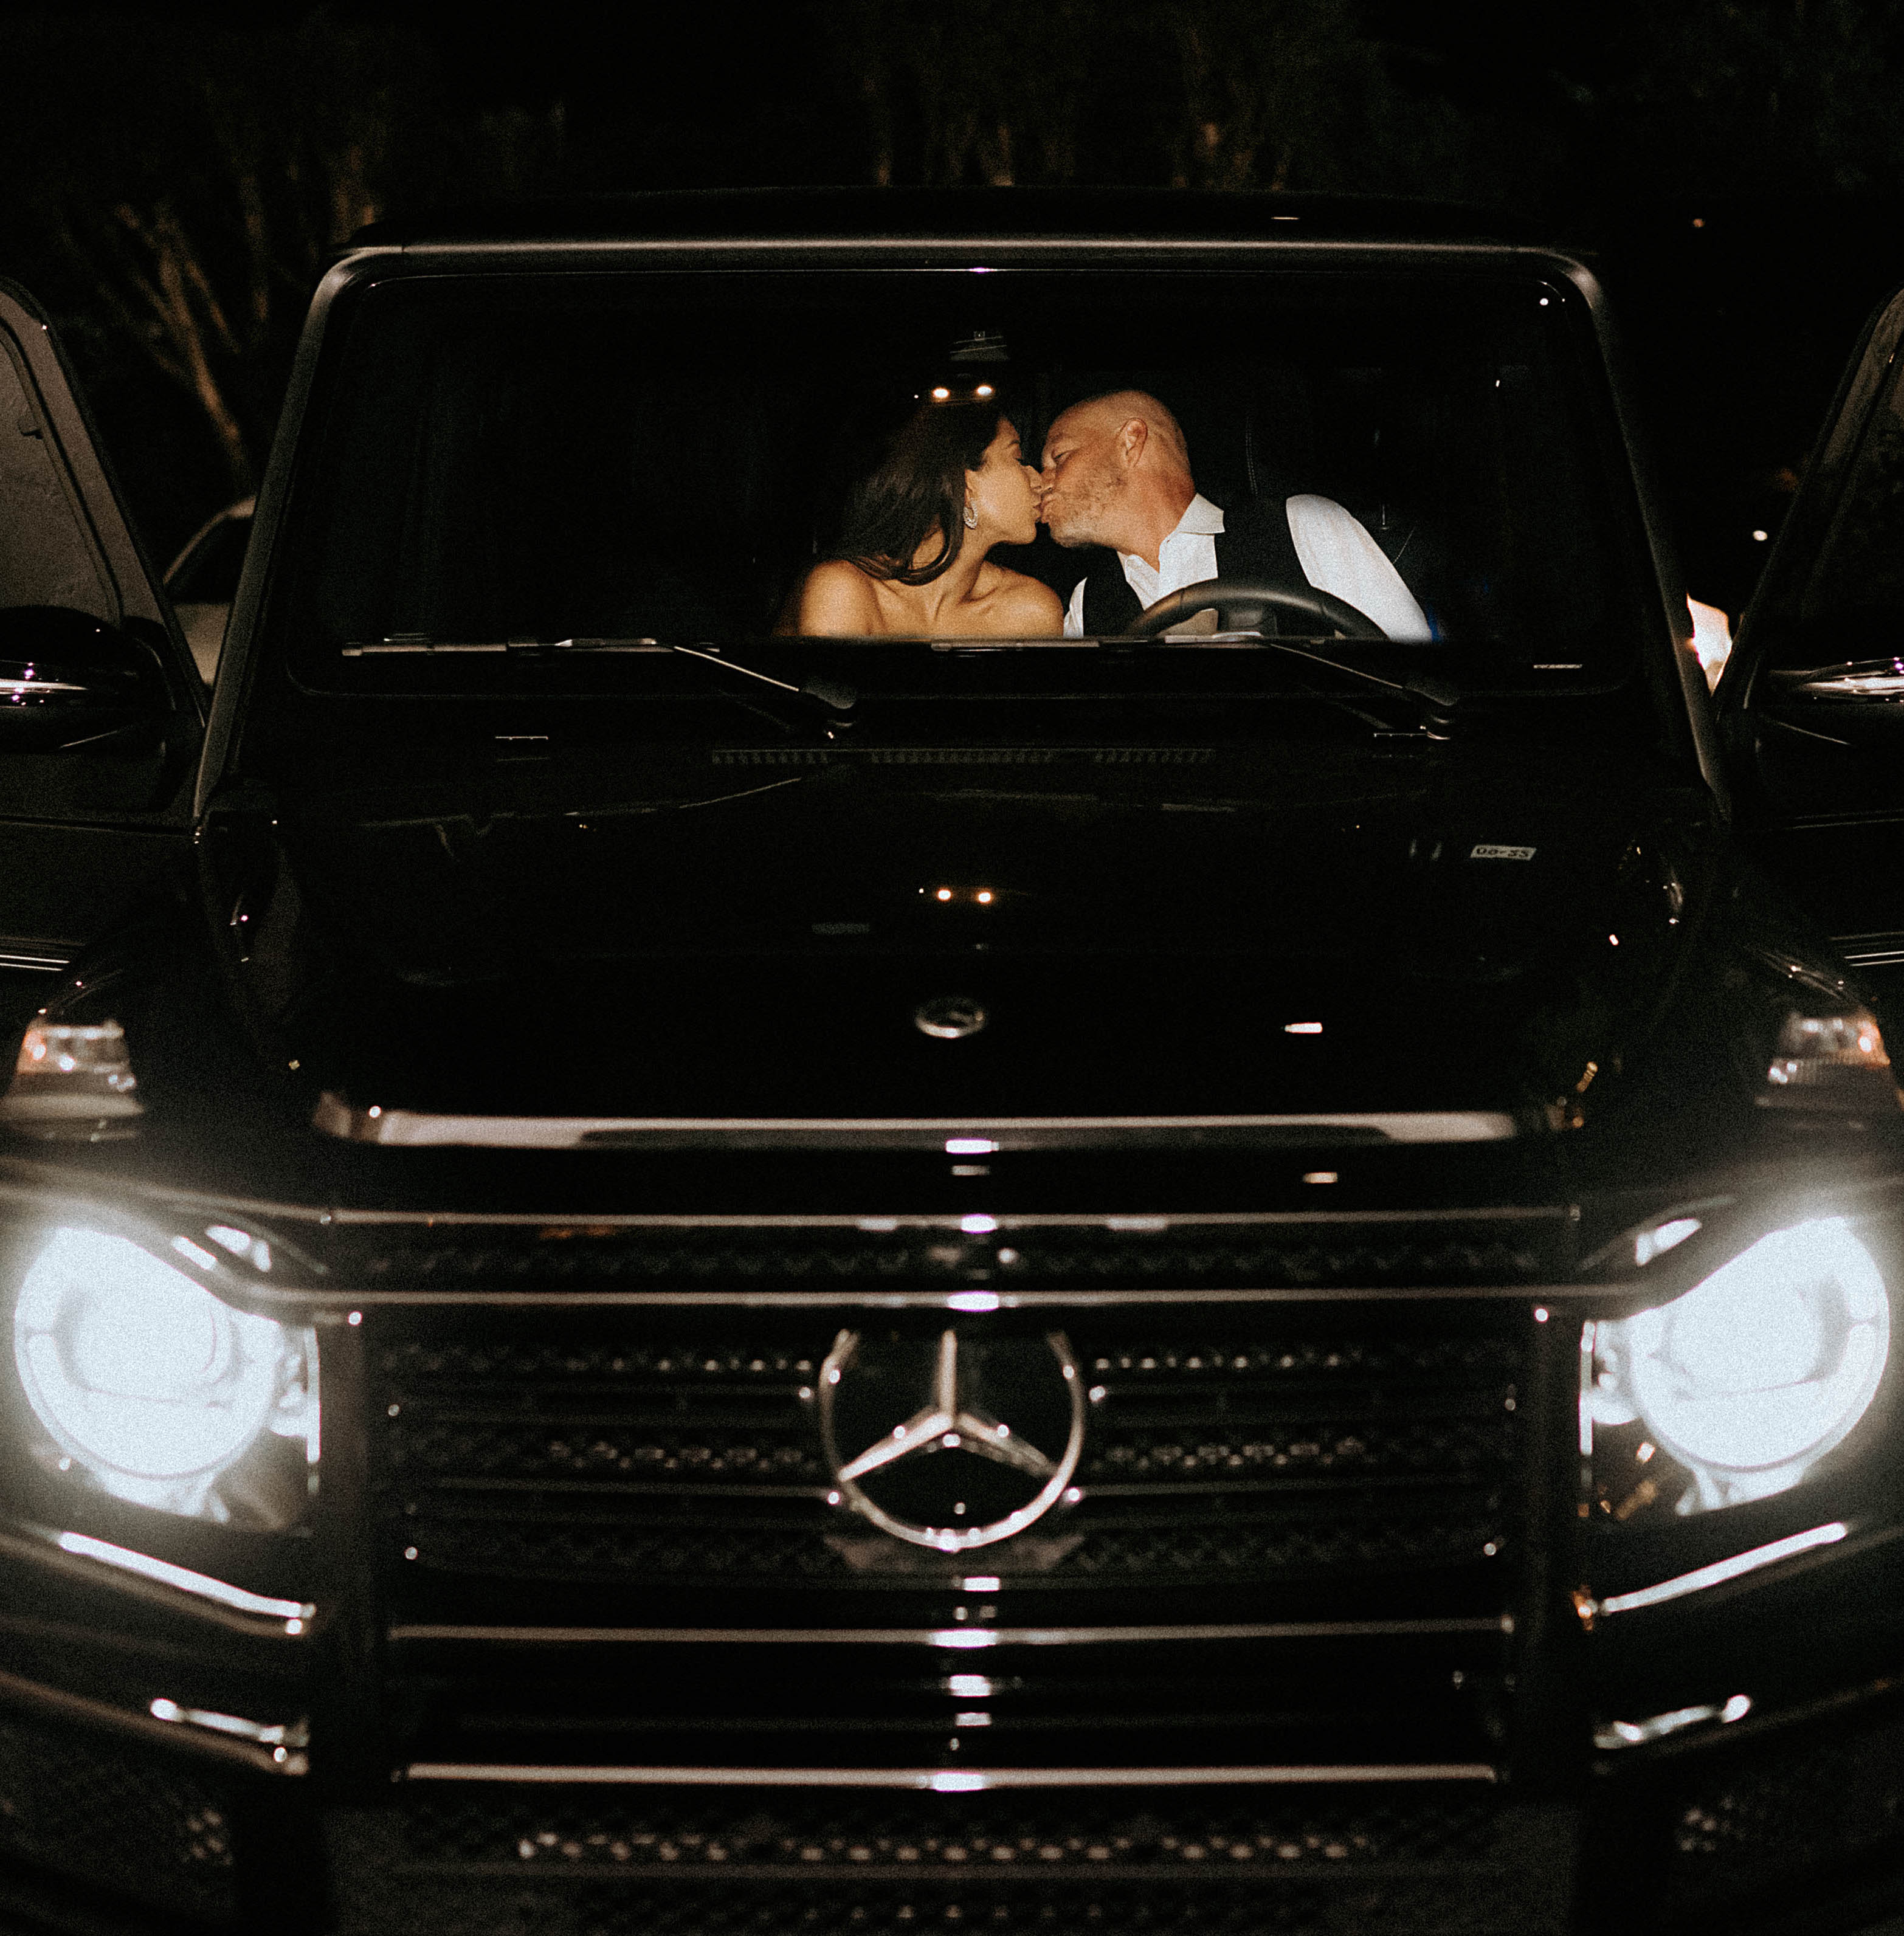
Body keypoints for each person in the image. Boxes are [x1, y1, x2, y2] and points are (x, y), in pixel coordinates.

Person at [1037, 390, 1430, 640]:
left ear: (1131, 442)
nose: (1042, 482)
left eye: (1059, 457)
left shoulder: (1301, 527)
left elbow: (1416, 680)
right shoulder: (1087, 602)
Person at [796, 401, 1063, 638]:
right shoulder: (845, 590)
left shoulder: (1031, 609)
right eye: (1018, 459)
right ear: (965, 484)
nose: (1039, 480)